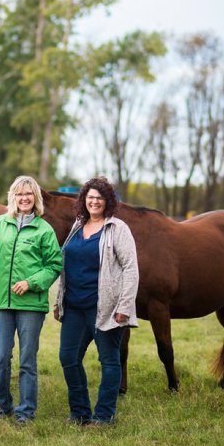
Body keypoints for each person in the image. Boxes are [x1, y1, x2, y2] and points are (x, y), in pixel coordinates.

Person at [0, 175, 62, 424]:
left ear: (35, 198)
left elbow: (54, 265)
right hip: (0, 303)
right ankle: (1, 407)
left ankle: (25, 412)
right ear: (13, 197)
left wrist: (31, 282)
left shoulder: (44, 230)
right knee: (0, 357)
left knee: (28, 361)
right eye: (19, 194)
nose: (24, 198)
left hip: (30, 305)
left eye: (28, 194)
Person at [54, 176, 139, 426]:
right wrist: (59, 301)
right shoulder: (77, 226)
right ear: (84, 200)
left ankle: (103, 417)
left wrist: (124, 306)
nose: (94, 202)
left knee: (109, 361)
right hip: (74, 307)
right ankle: (80, 413)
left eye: (99, 198)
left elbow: (131, 268)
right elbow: (66, 265)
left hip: (105, 308)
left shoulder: (117, 228)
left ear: (107, 201)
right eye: (90, 197)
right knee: (68, 359)